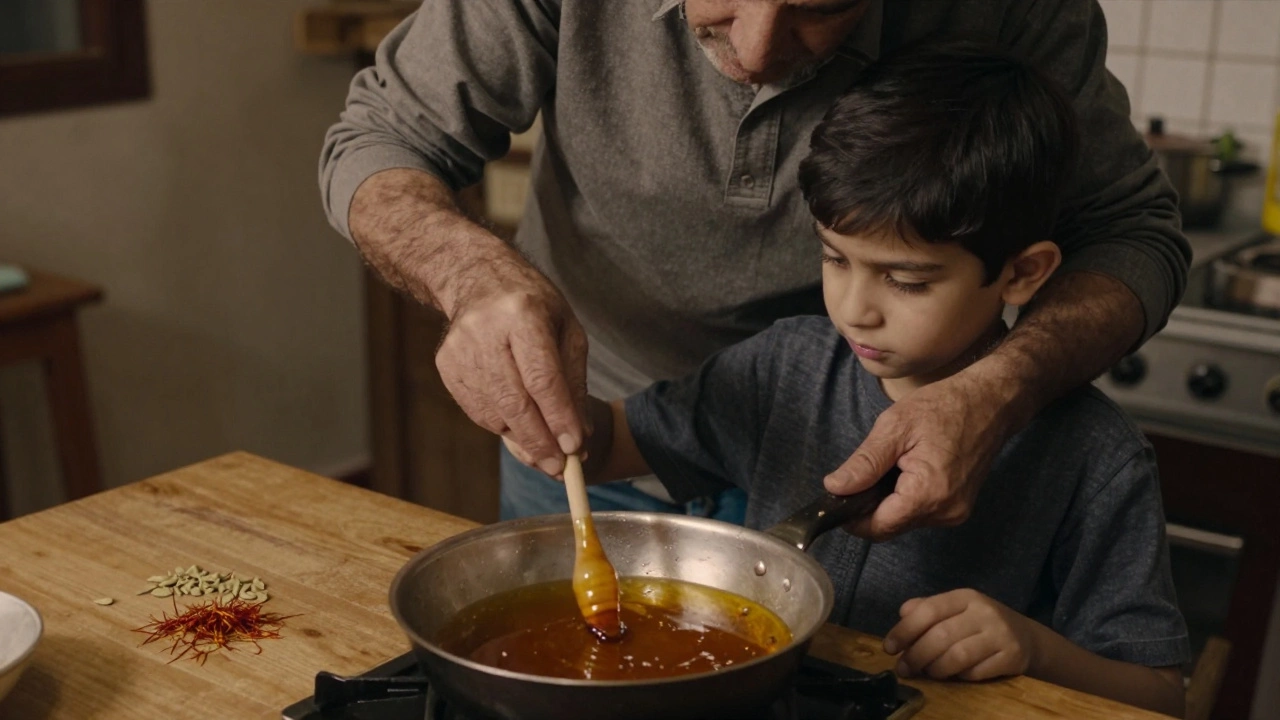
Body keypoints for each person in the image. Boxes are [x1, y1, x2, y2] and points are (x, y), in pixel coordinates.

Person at [320, 0, 1190, 534]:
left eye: (822, 5)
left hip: (856, 473)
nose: (762, 47)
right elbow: (380, 138)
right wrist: (472, 276)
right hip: (605, 444)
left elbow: (1133, 231)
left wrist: (1002, 391)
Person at [503, 45, 1189, 716]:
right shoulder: (787, 365)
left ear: (1023, 273)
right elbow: (617, 441)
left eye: (905, 279)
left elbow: (1158, 692)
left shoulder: (1096, 456)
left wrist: (1033, 649)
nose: (855, 308)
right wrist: (554, 413)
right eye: (835, 258)